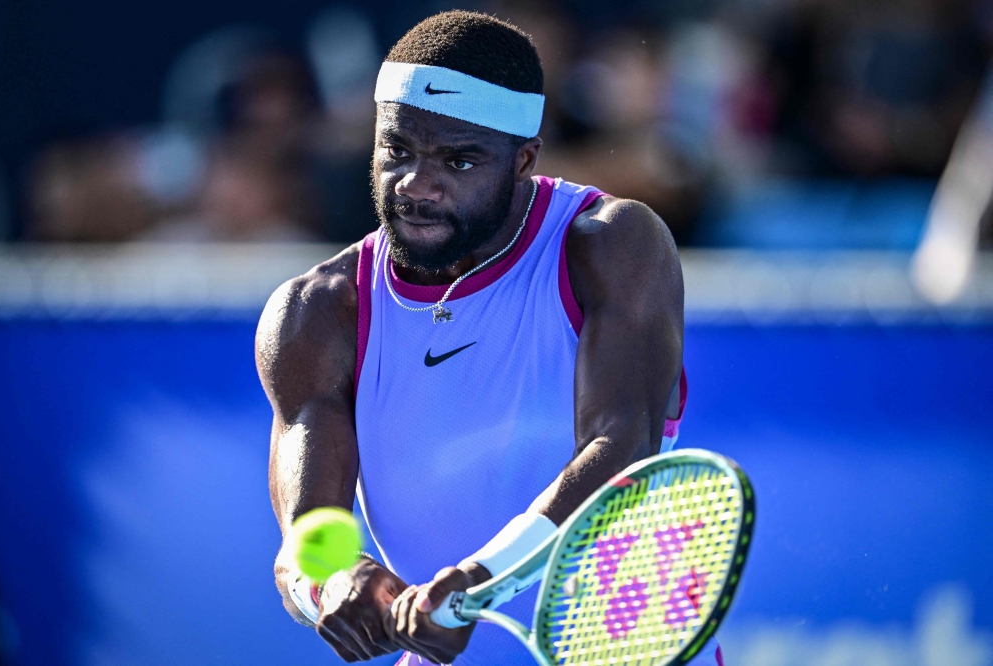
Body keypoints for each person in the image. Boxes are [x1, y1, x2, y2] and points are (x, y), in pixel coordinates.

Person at [256, 11, 722, 666]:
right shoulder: (317, 311)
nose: (416, 183)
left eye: (460, 159)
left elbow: (623, 449)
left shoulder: (614, 243)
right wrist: (331, 581)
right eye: (398, 150)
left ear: (522, 161)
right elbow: (307, 538)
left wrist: (480, 580)